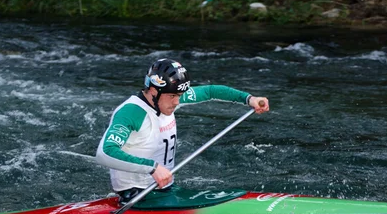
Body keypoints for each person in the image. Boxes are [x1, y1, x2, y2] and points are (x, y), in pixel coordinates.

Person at [95, 58, 269, 203]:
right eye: (173, 97)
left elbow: (210, 91)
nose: (177, 102)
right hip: (137, 195)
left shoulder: (169, 95)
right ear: (154, 91)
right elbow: (105, 153)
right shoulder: (131, 113)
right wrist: (153, 168)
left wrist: (249, 99)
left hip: (164, 189)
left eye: (179, 96)